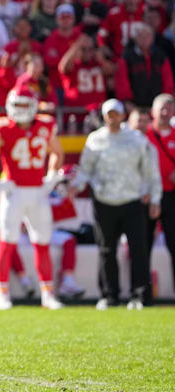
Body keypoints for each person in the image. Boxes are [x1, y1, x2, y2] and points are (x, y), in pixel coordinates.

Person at [0, 86, 65, 310]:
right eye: (17, 105)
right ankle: (1, 293)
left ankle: (47, 294)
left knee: (42, 242)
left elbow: (58, 153)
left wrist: (51, 176)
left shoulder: (45, 124)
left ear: (33, 106)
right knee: (7, 241)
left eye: (25, 105)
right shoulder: (2, 127)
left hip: (38, 192)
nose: (21, 110)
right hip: (14, 192)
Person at [68, 99, 161, 310]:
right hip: (104, 202)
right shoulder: (95, 140)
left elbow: (150, 172)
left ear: (122, 116)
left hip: (132, 201)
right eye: (108, 114)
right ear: (104, 116)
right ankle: (110, 296)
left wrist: (154, 198)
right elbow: (86, 169)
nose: (112, 118)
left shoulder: (136, 139)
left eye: (116, 114)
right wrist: (75, 186)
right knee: (106, 250)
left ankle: (139, 296)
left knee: (138, 250)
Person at [145, 94, 175, 298]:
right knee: (142, 246)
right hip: (147, 197)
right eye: (161, 109)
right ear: (153, 112)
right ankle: (142, 294)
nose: (165, 113)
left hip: (171, 196)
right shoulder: (142, 135)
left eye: (169, 109)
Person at [115, 23, 174, 109]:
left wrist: (165, 100)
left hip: (158, 105)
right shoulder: (127, 57)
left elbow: (168, 80)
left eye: (148, 36)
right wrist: (126, 101)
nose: (145, 39)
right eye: (141, 36)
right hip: (134, 105)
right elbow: (122, 80)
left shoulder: (161, 56)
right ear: (135, 39)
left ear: (152, 38)